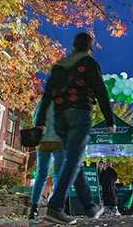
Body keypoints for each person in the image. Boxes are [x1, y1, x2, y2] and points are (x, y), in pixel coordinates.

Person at [36, 32, 116, 225]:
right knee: (73, 158)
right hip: (80, 113)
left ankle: (90, 206)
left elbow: (48, 94)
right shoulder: (89, 63)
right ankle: (55, 207)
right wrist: (109, 119)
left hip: (59, 117)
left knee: (75, 160)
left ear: (73, 46)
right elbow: (100, 90)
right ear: (90, 46)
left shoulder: (60, 65)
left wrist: (41, 120)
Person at [29, 97, 64, 220]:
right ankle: (55, 209)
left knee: (41, 175)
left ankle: (34, 209)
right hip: (58, 141)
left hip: (43, 141)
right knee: (58, 176)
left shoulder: (43, 99)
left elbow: (35, 117)